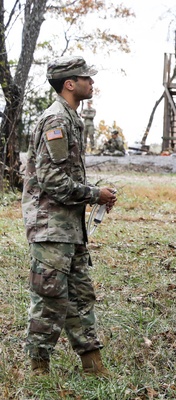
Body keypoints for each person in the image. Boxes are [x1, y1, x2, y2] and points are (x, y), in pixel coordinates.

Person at [22, 56, 116, 376]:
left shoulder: (72, 119)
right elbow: (52, 181)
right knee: (50, 295)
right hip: (50, 226)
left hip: (69, 226)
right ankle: (39, 366)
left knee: (80, 294)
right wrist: (93, 194)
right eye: (86, 78)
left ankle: (91, 362)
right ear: (70, 84)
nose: (92, 83)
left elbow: (66, 177)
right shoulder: (55, 121)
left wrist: (95, 194)